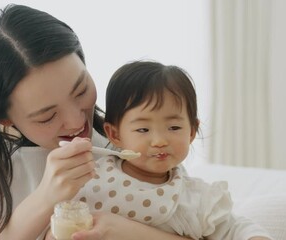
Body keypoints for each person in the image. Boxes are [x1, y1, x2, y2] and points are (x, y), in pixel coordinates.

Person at [0, 4, 199, 240]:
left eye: (81, 90)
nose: (77, 122)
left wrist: (120, 230)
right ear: (4, 117)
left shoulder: (123, 139)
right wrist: (45, 198)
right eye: (47, 116)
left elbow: (197, 223)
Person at [71, 60, 272, 240]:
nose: (159, 141)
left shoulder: (196, 198)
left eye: (174, 128)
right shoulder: (90, 178)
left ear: (192, 131)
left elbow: (234, 228)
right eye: (143, 129)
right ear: (115, 134)